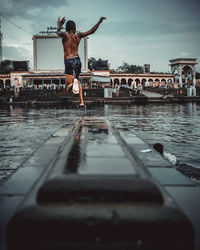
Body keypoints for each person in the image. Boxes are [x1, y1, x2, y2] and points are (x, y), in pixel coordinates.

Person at [57, 17, 106, 107]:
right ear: (74, 29)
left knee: (68, 86)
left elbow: (58, 33)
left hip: (68, 61)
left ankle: (71, 85)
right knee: (77, 80)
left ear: (67, 29)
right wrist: (99, 21)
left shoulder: (65, 36)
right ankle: (81, 102)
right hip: (77, 61)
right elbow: (92, 31)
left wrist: (60, 25)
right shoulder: (78, 36)